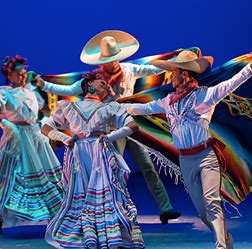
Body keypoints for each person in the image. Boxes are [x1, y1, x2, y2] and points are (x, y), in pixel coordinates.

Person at [123, 49, 252, 249]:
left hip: (206, 157)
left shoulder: (205, 95)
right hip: (186, 161)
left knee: (212, 202)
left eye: (173, 73)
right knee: (202, 212)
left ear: (184, 74)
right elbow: (142, 108)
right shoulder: (169, 101)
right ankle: (226, 241)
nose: (170, 77)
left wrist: (250, 68)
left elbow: (230, 84)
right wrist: (111, 108)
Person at [36, 30, 181, 224]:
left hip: (129, 123)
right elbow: (68, 90)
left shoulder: (129, 70)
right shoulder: (93, 80)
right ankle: (117, 207)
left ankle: (165, 208)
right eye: (109, 60)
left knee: (147, 166)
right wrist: (44, 85)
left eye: (115, 58)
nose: (113, 63)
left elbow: (153, 70)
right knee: (114, 168)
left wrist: (175, 59)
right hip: (108, 129)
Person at [43, 71, 144, 249]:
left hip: (101, 156)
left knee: (110, 200)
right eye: (102, 83)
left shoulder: (111, 106)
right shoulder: (68, 106)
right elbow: (47, 127)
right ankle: (90, 241)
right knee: (83, 203)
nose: (107, 86)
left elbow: (132, 125)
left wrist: (110, 137)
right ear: (89, 85)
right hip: (79, 157)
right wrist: (63, 138)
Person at [0, 55, 63, 234]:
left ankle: (53, 217)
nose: (22, 77)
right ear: (9, 75)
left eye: (24, 73)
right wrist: (6, 124)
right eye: (18, 74)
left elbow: (44, 108)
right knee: (13, 175)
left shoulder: (30, 90)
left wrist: (44, 121)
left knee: (46, 174)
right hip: (17, 137)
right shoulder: (4, 92)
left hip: (34, 134)